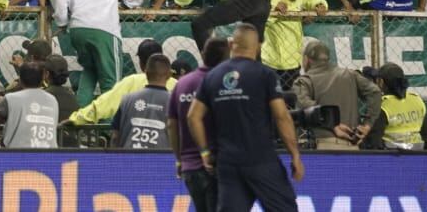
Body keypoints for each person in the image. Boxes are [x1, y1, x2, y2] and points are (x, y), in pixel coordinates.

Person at [186, 24, 305, 212]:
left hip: (228, 162)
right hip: (261, 159)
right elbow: (282, 117)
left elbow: (193, 117)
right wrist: (295, 155)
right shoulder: (265, 75)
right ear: (258, 46)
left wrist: (204, 152)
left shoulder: (213, 76)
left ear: (232, 43)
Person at [50, 0, 145, 106]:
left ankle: (79, 121)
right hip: (105, 29)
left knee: (90, 71)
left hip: (78, 29)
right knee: (111, 80)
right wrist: (130, 2)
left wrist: (62, 21)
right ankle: (108, 127)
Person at [169, 37, 232, 212]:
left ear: (203, 55)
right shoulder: (223, 83)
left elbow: (171, 124)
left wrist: (179, 160)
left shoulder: (182, 83)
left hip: (190, 167)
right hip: (215, 164)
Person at [293, 40, 382, 150]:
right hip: (354, 145)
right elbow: (375, 92)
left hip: (324, 146)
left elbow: (304, 105)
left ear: (306, 60)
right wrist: (367, 125)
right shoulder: (349, 74)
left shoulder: (304, 81)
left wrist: (333, 124)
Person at [0, 60, 59, 148]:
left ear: (20, 79)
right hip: (49, 155)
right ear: (43, 78)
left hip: (17, 154)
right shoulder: (53, 100)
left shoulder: (10, 98)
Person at [363, 63, 427, 150]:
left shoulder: (382, 105)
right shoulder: (416, 101)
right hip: (417, 156)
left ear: (382, 82)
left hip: (390, 158)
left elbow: (374, 142)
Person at [113, 53, 173, 150]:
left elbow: (115, 136)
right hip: (163, 162)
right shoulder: (175, 102)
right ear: (169, 75)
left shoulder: (126, 100)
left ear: (145, 72)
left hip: (127, 160)